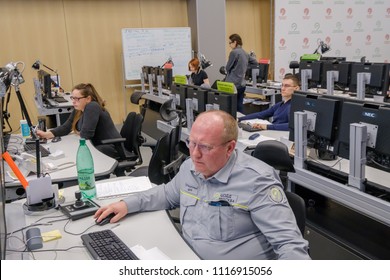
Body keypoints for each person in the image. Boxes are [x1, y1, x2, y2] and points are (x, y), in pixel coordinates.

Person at [95, 110, 311, 260]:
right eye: (192, 143)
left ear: (230, 148)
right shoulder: (191, 167)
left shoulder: (257, 181)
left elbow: (290, 246)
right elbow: (167, 194)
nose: (195, 154)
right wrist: (126, 204)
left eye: (206, 147)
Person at [36, 83, 121, 158]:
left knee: (76, 156)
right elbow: (66, 127)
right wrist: (46, 134)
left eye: (77, 99)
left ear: (88, 99)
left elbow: (86, 135)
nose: (73, 102)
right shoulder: (80, 109)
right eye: (72, 98)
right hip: (96, 144)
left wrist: (77, 132)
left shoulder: (92, 107)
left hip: (110, 146)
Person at [225, 33, 258, 114]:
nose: (229, 45)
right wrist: (246, 67)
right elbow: (255, 62)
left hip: (232, 84)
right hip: (242, 84)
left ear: (235, 42)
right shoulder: (245, 53)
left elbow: (227, 67)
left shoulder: (234, 52)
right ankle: (240, 123)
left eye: (230, 43)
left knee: (230, 107)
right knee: (240, 106)